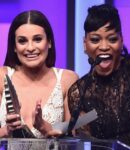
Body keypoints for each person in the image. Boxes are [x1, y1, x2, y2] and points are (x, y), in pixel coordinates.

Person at [68, 4, 130, 150]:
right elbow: (84, 122)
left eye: (112, 39)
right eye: (95, 40)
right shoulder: (80, 91)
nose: (104, 46)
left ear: (121, 41)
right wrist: (50, 127)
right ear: (85, 44)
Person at [0, 10, 78, 138]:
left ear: (49, 42)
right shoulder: (2, 77)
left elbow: (77, 129)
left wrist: (47, 128)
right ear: (14, 46)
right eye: (22, 41)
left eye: (37, 39)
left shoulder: (67, 79)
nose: (30, 48)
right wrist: (6, 130)